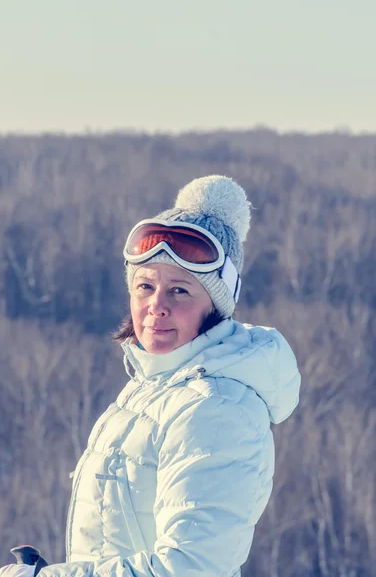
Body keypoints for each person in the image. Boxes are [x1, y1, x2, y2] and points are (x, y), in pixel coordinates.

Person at [40, 175, 301, 577]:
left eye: (180, 291)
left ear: (215, 306)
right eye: (145, 286)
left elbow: (192, 567)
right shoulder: (153, 388)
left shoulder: (215, 407)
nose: (156, 306)